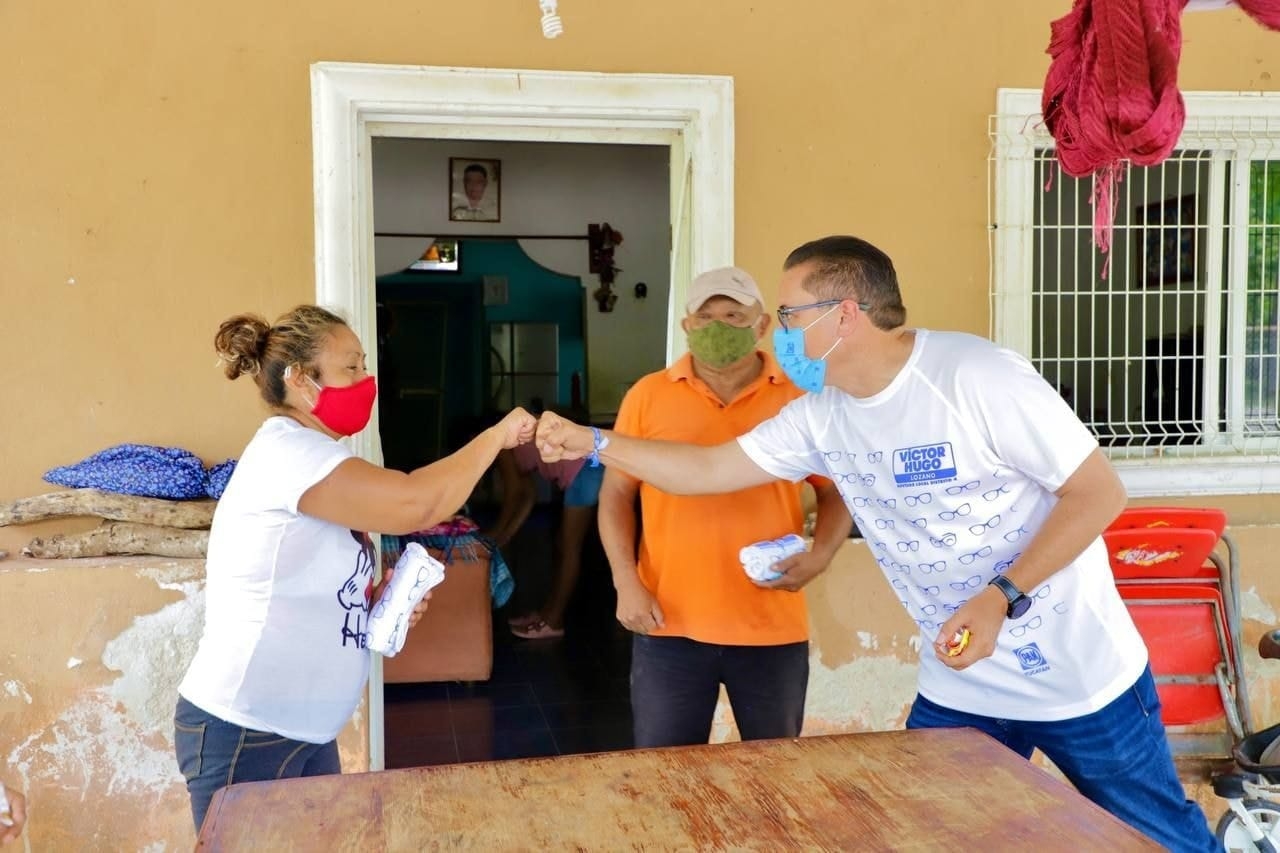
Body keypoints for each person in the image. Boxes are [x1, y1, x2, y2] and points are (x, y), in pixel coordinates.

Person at [534, 238, 1217, 852]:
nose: (785, 333)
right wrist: (593, 441)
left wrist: (1000, 595)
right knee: (922, 830)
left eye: (793, 315)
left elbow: (1099, 493)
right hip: (961, 683)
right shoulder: (821, 416)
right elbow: (708, 470)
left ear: (846, 313)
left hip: (1078, 677)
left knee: (1157, 835)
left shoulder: (975, 377)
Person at [175, 305, 535, 832]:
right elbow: (416, 503)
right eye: (351, 368)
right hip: (248, 729)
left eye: (366, 366)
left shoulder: (315, 456)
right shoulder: (288, 452)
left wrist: (371, 606)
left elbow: (308, 584)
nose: (367, 381)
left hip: (303, 729)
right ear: (301, 381)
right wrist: (497, 437)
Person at [598, 266, 852, 748]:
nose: (719, 327)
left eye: (734, 315)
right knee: (668, 776)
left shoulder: (800, 398)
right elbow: (615, 493)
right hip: (667, 624)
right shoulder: (648, 396)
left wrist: (821, 555)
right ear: (687, 326)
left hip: (771, 625)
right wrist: (625, 581)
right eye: (706, 316)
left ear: (761, 326)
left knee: (773, 775)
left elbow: (836, 489)